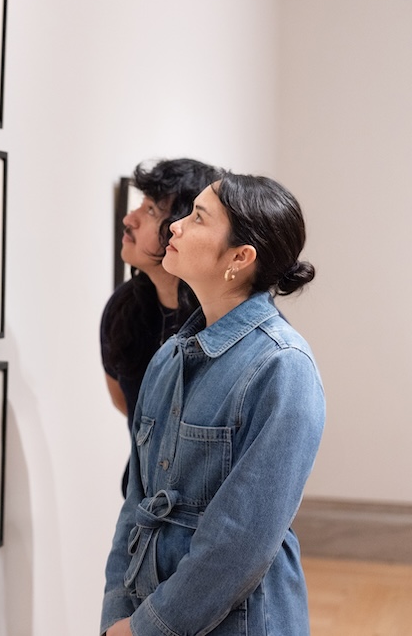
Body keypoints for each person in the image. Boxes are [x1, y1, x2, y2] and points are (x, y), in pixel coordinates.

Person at [100, 174, 325, 636]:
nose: (174, 228)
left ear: (240, 258)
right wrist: (115, 616)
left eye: (197, 218)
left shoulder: (283, 367)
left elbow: (240, 540)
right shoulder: (169, 356)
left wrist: (146, 628)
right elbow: (136, 506)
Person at [101, 158, 223, 496]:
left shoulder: (224, 317)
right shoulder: (124, 308)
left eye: (152, 211)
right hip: (142, 500)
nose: (130, 219)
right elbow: (127, 401)